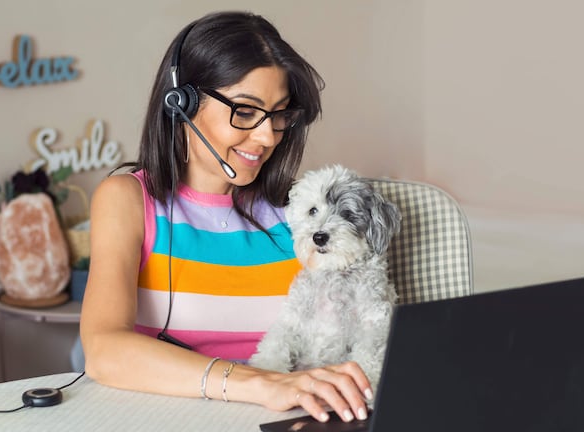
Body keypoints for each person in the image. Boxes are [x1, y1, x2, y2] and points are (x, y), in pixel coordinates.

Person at [80, 11, 371, 424]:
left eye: (280, 115)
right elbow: (103, 350)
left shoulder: (300, 210)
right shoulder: (127, 200)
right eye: (246, 112)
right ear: (182, 103)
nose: (268, 136)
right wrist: (258, 383)